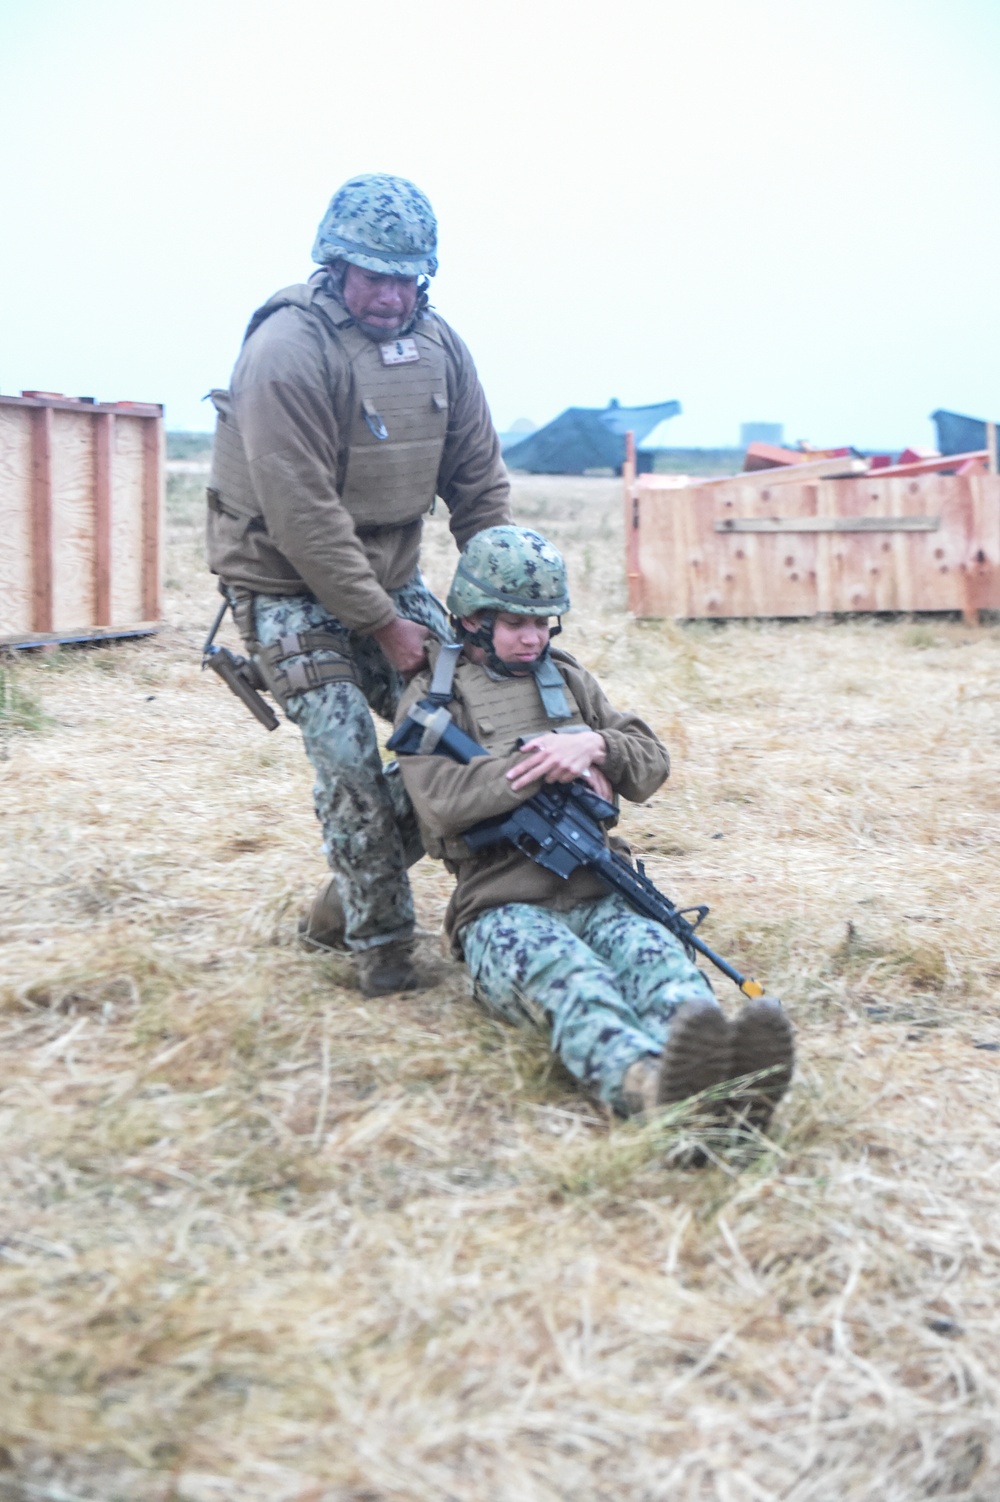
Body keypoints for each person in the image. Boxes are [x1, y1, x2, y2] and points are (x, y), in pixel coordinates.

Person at [206, 174, 512, 995]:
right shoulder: (286, 350)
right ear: (335, 266)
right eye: (374, 276)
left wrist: (494, 610)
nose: (391, 296)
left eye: (408, 278)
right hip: (285, 585)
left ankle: (342, 903)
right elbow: (301, 512)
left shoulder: (440, 347)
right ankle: (381, 948)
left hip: (391, 574)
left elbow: (479, 485)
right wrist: (383, 624)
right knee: (348, 761)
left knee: (473, 734)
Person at [394, 526, 795, 1124]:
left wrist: (596, 746)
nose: (533, 638)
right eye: (515, 623)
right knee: (575, 984)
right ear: (473, 619)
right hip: (501, 907)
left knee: (663, 966)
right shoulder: (434, 698)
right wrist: (542, 766)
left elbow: (652, 760)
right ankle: (650, 1090)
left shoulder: (566, 679)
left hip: (600, 888)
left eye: (543, 623)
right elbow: (440, 803)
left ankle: (734, 1086)